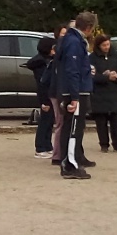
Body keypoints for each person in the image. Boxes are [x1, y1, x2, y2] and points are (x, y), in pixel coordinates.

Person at [58, 12, 98, 179]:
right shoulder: (74, 42)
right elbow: (72, 70)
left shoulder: (72, 39)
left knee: (74, 128)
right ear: (88, 28)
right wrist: (74, 96)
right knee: (73, 129)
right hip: (75, 91)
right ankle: (70, 165)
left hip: (76, 89)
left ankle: (73, 160)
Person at [89, 34, 117, 153]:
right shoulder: (92, 58)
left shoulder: (115, 55)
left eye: (108, 44)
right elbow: (91, 76)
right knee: (101, 121)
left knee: (116, 120)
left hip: (114, 91)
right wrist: (105, 77)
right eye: (104, 45)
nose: (106, 47)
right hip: (100, 93)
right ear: (98, 46)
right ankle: (104, 144)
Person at [22, 37, 57, 159]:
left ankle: (47, 146)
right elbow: (42, 83)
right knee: (44, 122)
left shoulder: (48, 60)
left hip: (50, 94)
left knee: (49, 121)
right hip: (45, 96)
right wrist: (44, 101)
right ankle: (40, 147)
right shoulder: (41, 63)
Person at [47, 24, 70, 167]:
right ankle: (57, 154)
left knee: (65, 123)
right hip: (57, 92)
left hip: (62, 91)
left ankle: (65, 152)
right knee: (60, 123)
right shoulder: (59, 52)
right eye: (63, 34)